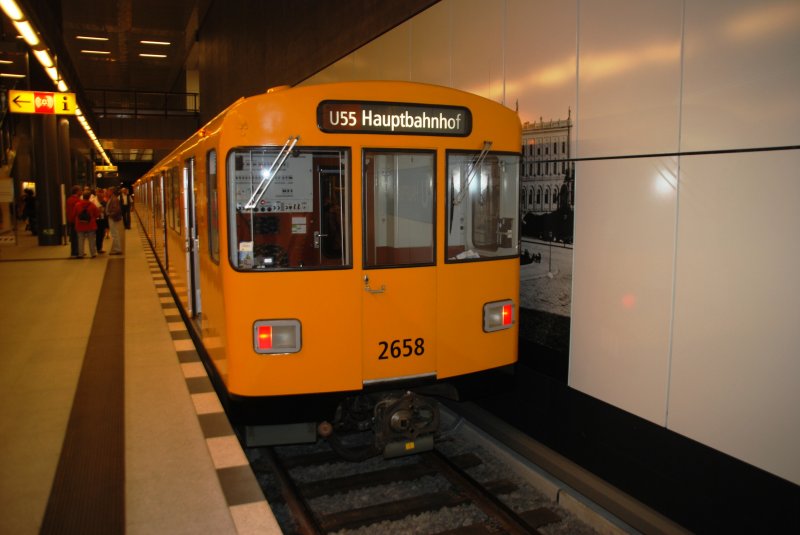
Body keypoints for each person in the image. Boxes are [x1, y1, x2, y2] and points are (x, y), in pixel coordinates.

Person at [74, 191, 100, 257]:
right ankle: (93, 253)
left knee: (80, 240)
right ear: (89, 197)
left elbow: (74, 214)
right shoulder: (92, 205)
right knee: (91, 240)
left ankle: (81, 254)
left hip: (80, 225)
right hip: (90, 225)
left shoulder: (77, 204)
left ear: (83, 196)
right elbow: (97, 214)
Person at [106, 187, 124, 255]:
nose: (107, 192)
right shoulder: (113, 198)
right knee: (114, 233)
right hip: (112, 217)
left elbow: (116, 209)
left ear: (111, 191)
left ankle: (117, 249)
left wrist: (110, 214)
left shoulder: (114, 199)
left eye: (108, 191)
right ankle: (117, 248)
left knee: (114, 233)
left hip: (113, 218)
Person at [66, 185, 82, 258]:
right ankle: (76, 252)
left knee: (75, 237)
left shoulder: (69, 199)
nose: (81, 191)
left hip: (72, 220)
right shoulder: (77, 200)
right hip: (76, 221)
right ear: (77, 191)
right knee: (76, 237)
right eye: (80, 190)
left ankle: (76, 251)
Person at [93, 188, 107, 253]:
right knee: (98, 234)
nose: (100, 195)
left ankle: (99, 247)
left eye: (101, 193)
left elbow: (106, 211)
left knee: (102, 234)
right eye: (98, 193)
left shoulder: (104, 202)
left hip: (102, 220)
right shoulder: (93, 201)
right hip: (95, 220)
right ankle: (98, 248)